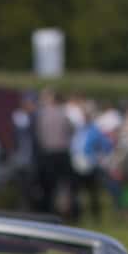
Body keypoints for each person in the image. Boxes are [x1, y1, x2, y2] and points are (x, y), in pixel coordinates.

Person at [34, 88, 77, 220]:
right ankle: (65, 212)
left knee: (49, 186)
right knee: (64, 185)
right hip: (62, 153)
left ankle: (49, 211)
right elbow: (71, 131)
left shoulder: (42, 115)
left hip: (49, 154)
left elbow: (38, 134)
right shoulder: (64, 114)